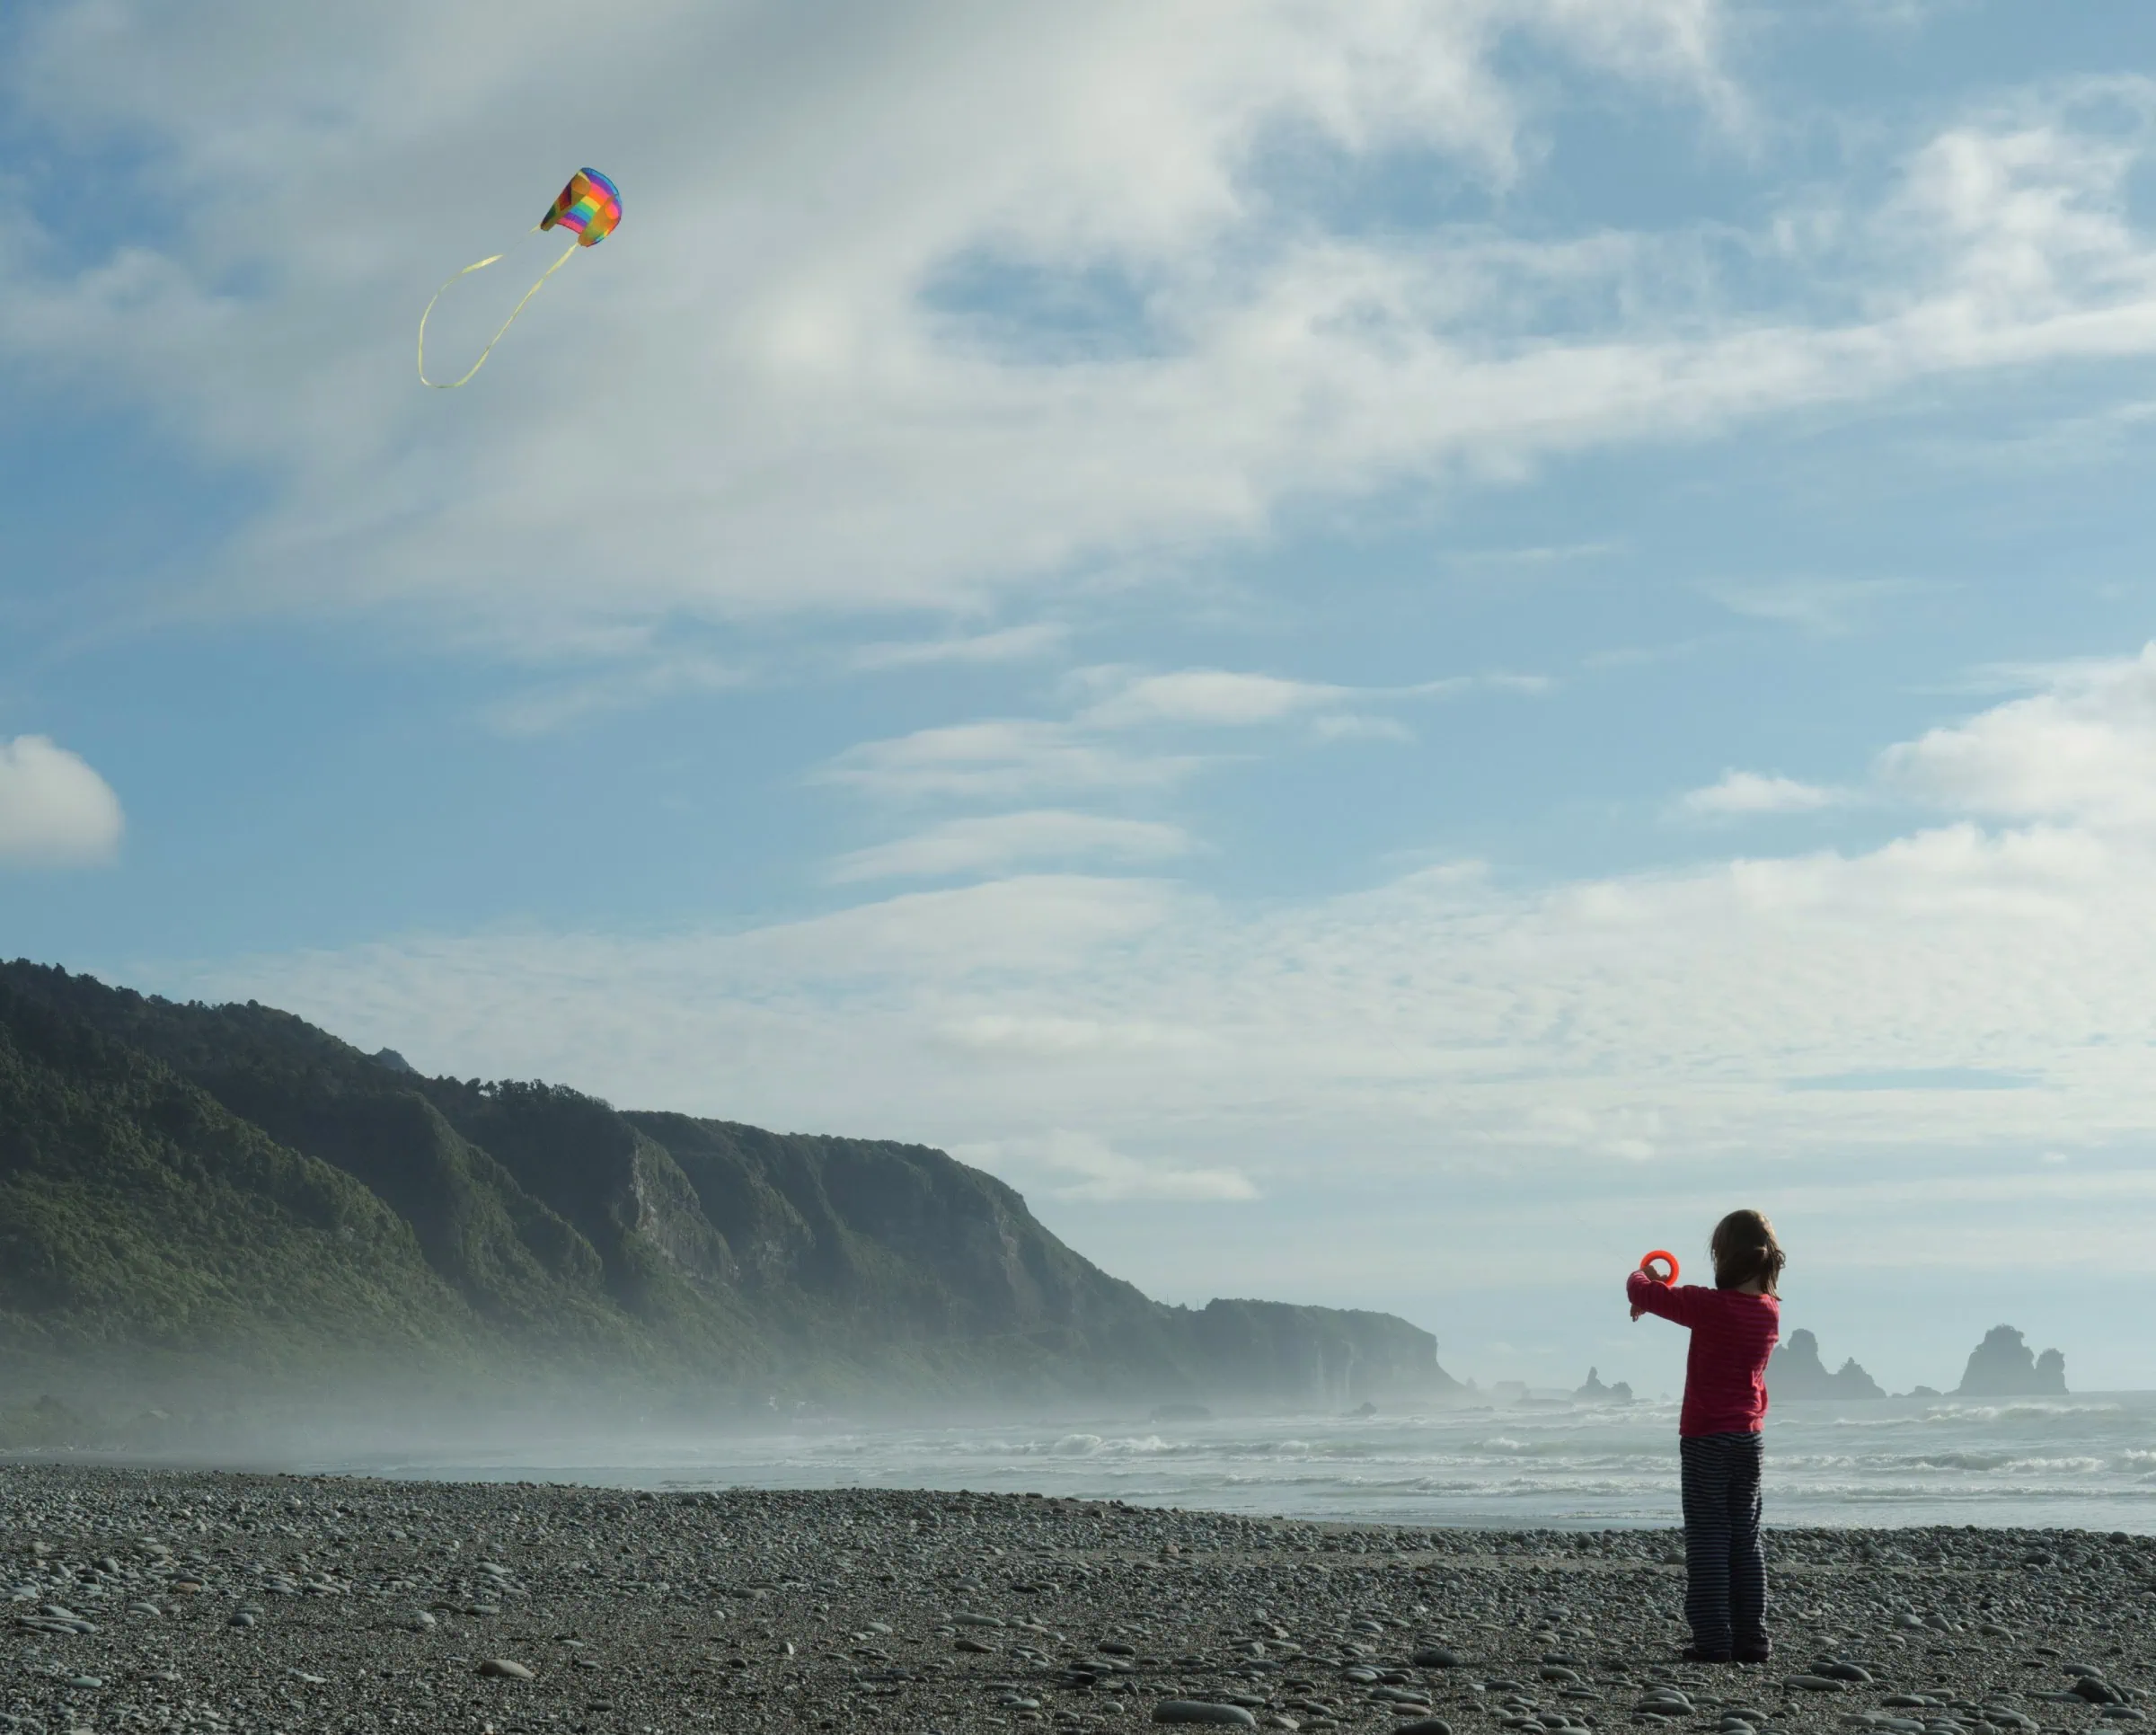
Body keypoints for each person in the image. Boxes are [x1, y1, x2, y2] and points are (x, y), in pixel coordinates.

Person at [1627, 1210, 1784, 1664]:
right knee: (1745, 1538)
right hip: (1749, 1438)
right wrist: (1659, 1296)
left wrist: (1646, 1274)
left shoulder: (1708, 1306)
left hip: (1705, 1438)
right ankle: (1752, 1639)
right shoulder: (1769, 1313)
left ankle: (1713, 1640)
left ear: (1724, 1257)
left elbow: (1639, 1289)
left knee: (1709, 1538)